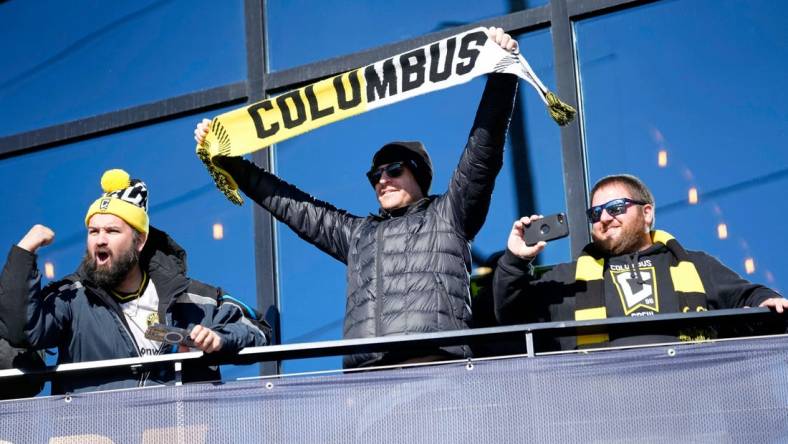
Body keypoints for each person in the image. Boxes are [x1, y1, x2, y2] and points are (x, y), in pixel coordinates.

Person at [194, 27, 520, 368]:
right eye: (375, 176)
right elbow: (291, 205)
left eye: (394, 170)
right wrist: (229, 161)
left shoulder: (449, 214)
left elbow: (484, 150)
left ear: (418, 174)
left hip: (436, 368)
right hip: (368, 382)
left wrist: (502, 75)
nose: (383, 180)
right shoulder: (360, 234)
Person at [0, 169, 269, 394]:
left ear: (139, 241)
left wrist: (219, 340)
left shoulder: (192, 299)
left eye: (112, 231)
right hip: (90, 435)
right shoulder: (72, 299)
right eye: (93, 231)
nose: (100, 239)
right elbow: (22, 329)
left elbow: (259, 330)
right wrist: (24, 252)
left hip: (173, 432)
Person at [493, 173, 786, 350]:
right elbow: (512, 314)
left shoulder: (696, 265)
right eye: (595, 214)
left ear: (647, 213)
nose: (605, 218)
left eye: (616, 207)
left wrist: (768, 302)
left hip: (694, 410)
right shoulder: (570, 279)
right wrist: (515, 260)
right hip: (603, 418)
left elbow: (748, 297)